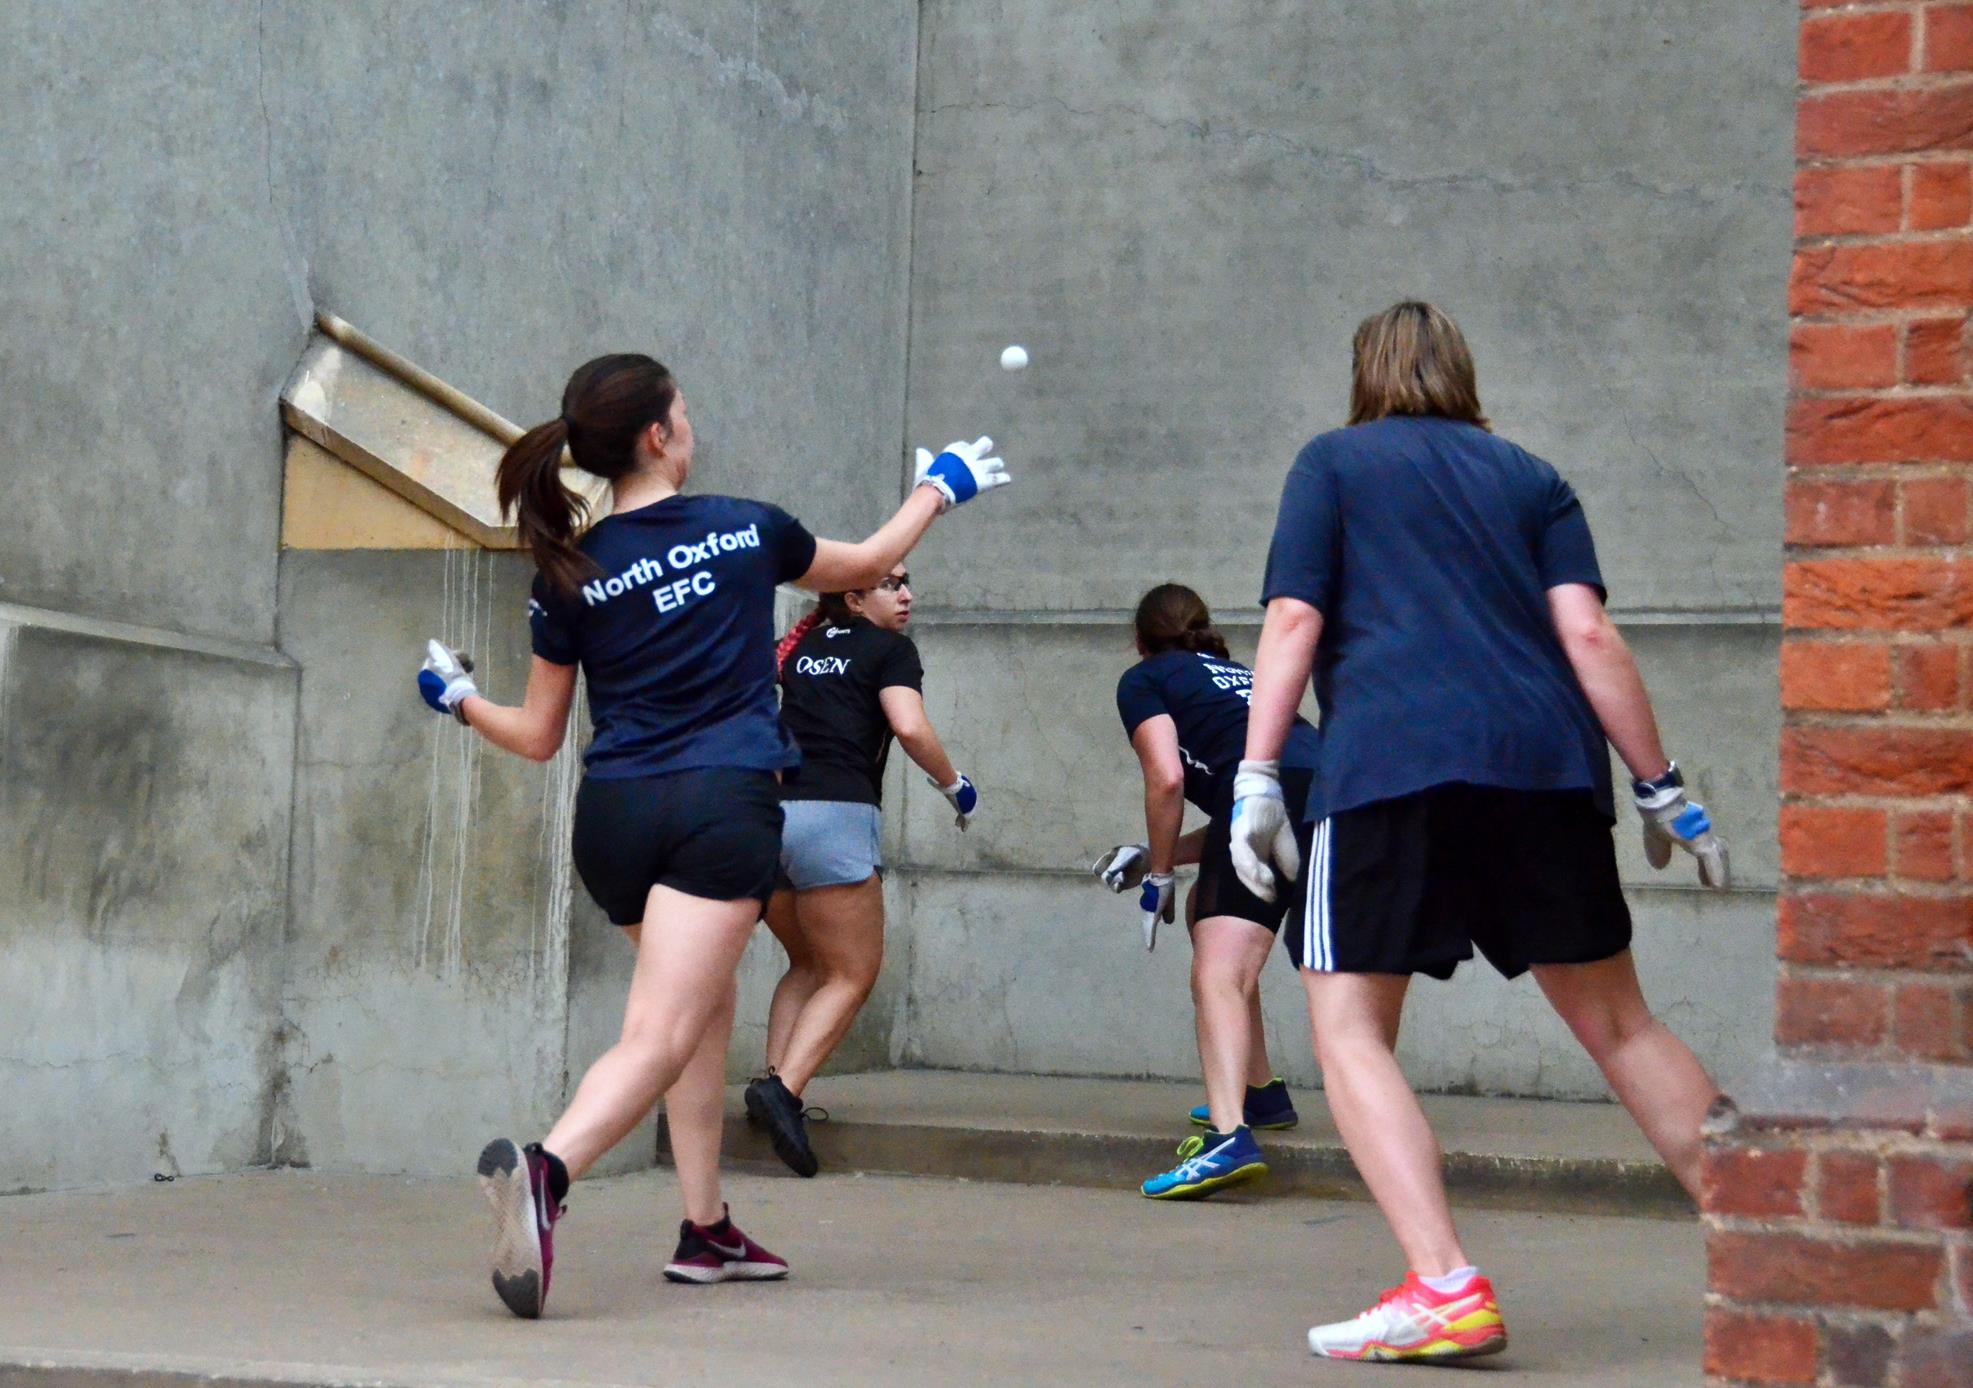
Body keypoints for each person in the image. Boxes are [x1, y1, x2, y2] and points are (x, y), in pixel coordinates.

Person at [413, 352, 1009, 1318]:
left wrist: (460, 700)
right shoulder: (744, 526)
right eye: (683, 411)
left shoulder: (568, 571)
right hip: (717, 811)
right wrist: (937, 490)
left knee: (696, 1010)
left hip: (614, 820)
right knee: (660, 1030)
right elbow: (860, 566)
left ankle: (704, 1229)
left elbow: (537, 738)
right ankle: (546, 1175)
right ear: (658, 435)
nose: (692, 423)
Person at [1230, 302, 1728, 1362]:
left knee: (1349, 1025)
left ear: (1362, 373)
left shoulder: (1331, 462)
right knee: (1624, 1027)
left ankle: (1445, 1286)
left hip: (1387, 767)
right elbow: (1585, 631)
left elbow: (1291, 619)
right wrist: (1660, 786)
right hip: (1540, 768)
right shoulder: (1531, 477)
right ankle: (1785, 1255)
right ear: (1460, 373)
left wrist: (1255, 775)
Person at [745, 567, 976, 1176]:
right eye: (890, 585)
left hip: (770, 820)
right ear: (853, 598)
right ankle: (784, 1091)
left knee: (808, 964)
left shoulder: (798, 649)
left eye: (908, 582)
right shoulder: (890, 650)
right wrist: (955, 785)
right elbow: (908, 725)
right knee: (852, 973)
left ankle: (772, 1088)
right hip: (837, 818)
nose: (907, 594)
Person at [1096, 583, 1320, 1200]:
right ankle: (1260, 1092)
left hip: (1271, 806)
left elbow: (1167, 779)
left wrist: (1164, 876)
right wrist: (1153, 858)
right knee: (1209, 911)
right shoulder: (1236, 675)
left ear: (1140, 641)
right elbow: (1246, 811)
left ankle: (1227, 1139)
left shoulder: (1143, 680)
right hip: (1330, 803)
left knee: (1217, 970)